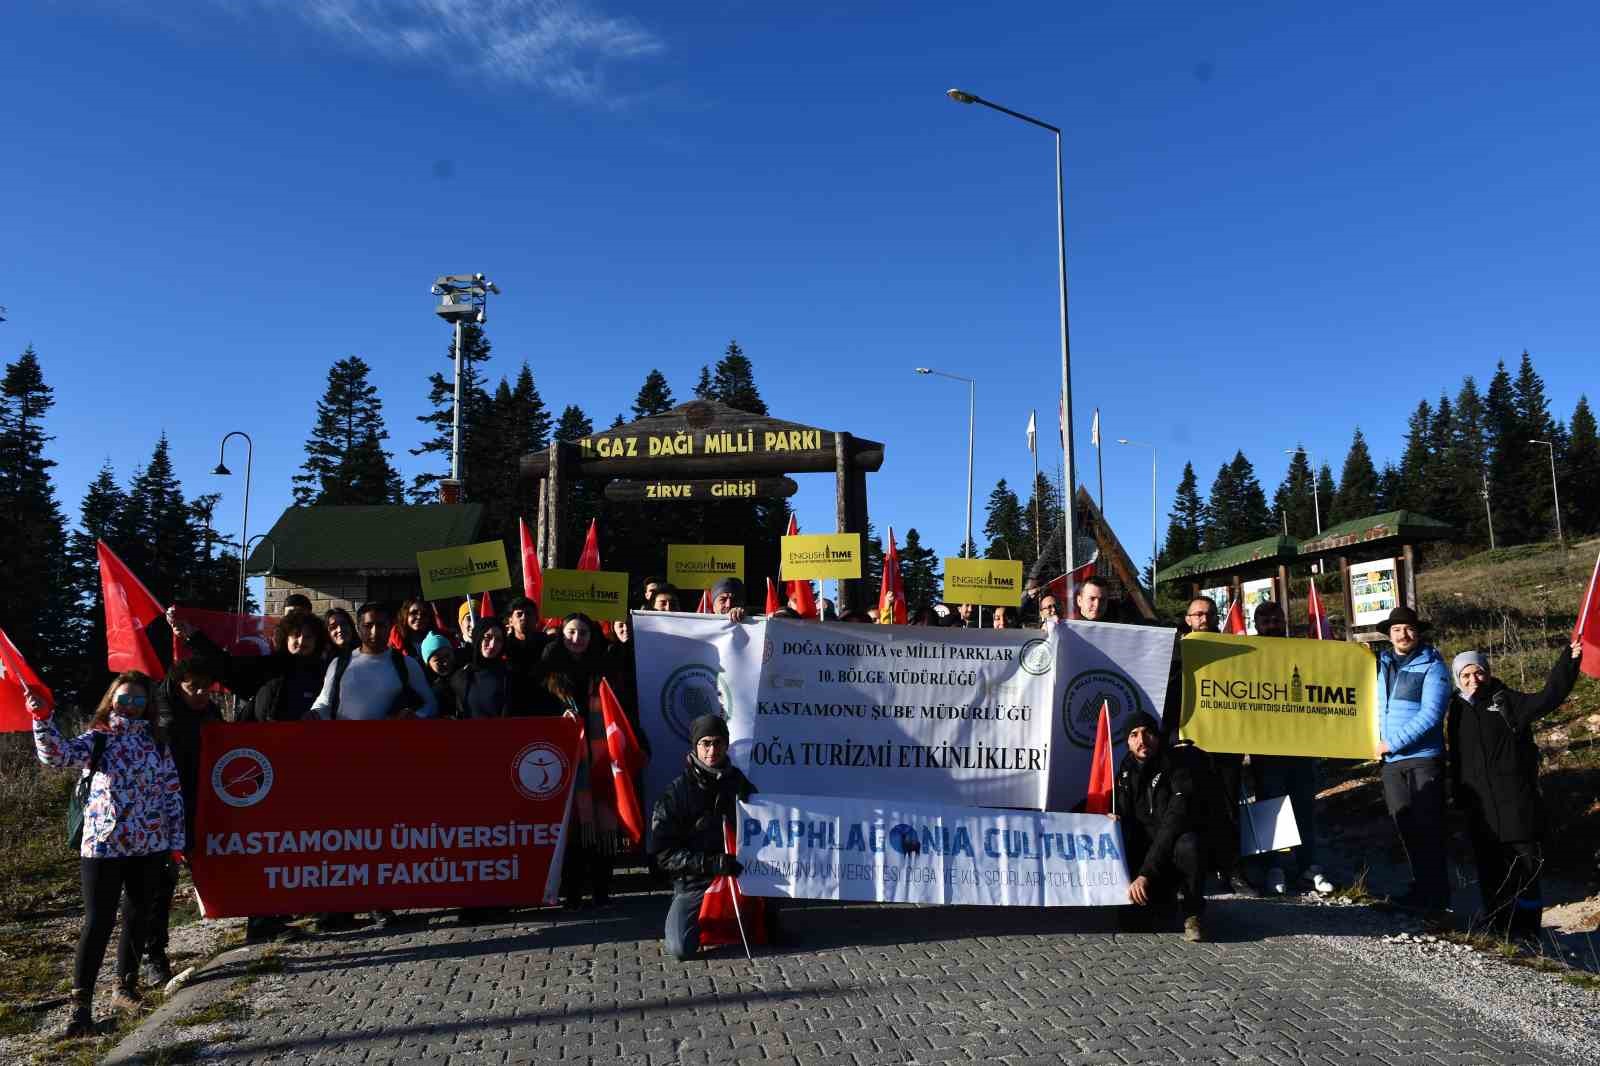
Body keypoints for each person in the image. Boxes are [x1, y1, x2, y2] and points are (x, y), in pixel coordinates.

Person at [29, 673, 183, 1037]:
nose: (130, 706)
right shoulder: (97, 738)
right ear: (111, 699)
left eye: (137, 700)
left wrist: (176, 842)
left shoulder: (158, 743)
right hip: (102, 847)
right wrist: (41, 718)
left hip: (149, 845)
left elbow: (172, 794)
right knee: (98, 922)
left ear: (147, 705)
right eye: (124, 698)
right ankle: (80, 1004)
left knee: (137, 916)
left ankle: (124, 988)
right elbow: (55, 756)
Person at [1446, 641, 1582, 938]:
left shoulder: (1507, 700)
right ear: (1457, 679)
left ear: (1488, 672)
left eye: (1478, 673)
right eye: (1466, 675)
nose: (1473, 680)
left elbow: (1549, 697)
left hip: (1517, 805)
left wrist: (1568, 662)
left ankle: (1528, 929)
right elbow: (1456, 756)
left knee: (1526, 871)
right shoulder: (1456, 708)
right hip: (1480, 809)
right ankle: (1498, 925)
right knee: (1489, 870)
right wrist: (1458, 795)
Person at [647, 714, 763, 960]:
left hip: (739, 875)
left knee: (768, 932)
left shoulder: (740, 784)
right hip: (696, 882)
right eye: (705, 743)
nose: (712, 750)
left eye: (718, 742)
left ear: (726, 744)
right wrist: (709, 863)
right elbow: (663, 854)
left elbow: (764, 828)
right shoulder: (676, 793)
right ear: (695, 746)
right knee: (680, 949)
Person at [143, 658, 223, 975]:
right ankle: (153, 956)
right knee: (160, 885)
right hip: (164, 811)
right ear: (179, 686)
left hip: (201, 805)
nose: (202, 692)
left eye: (207, 686)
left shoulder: (211, 713)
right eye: (194, 686)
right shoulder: (160, 718)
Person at [1247, 602, 1333, 896]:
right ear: (1256, 624)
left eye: (1276, 619)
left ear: (1284, 621)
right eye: (1265, 620)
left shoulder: (1302, 652)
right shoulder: (1248, 655)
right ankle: (1274, 867)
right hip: (1265, 747)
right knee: (1270, 809)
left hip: (1300, 745)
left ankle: (1309, 867)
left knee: (1304, 809)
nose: (1271, 624)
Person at [1374, 605, 1452, 913]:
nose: (1403, 634)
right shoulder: (1379, 664)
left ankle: (1438, 899)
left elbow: (1431, 715)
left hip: (1423, 759)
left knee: (1428, 828)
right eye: (1396, 630)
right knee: (1405, 826)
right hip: (1391, 764)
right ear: (1389, 635)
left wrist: (1390, 743)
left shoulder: (1433, 666)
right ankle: (1421, 889)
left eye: (1408, 629)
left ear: (1417, 632)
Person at [541, 613, 620, 906]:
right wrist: (557, 718)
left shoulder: (603, 671)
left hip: (600, 757)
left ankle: (602, 888)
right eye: (572, 632)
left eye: (583, 633)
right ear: (562, 635)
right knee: (573, 826)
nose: (577, 639)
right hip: (566, 758)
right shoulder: (549, 675)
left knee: (603, 823)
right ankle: (572, 890)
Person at [1114, 712, 1210, 942]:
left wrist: (1146, 874)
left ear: (1157, 736)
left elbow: (1171, 827)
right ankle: (1157, 899)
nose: (1142, 740)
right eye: (1134, 735)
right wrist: (1111, 817)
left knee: (1190, 844)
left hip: (1169, 852)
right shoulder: (1125, 770)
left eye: (1147, 733)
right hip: (1146, 858)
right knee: (1134, 923)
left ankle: (1192, 913)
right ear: (1127, 742)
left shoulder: (1177, 768)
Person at [310, 602, 437, 721]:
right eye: (368, 625)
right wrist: (314, 713)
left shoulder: (406, 664)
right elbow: (324, 702)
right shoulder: (339, 663)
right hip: (345, 741)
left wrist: (416, 715)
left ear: (390, 626)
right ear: (358, 627)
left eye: (381, 625)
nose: (375, 632)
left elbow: (431, 703)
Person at [247, 613, 329, 724]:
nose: (301, 641)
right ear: (286, 637)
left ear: (317, 641)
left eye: (308, 636)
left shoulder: (324, 672)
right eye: (296, 634)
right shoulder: (268, 667)